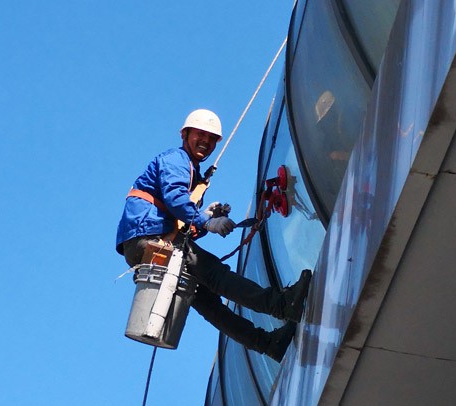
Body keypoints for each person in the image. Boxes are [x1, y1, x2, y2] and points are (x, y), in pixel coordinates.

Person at [116, 108, 312, 362]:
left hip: (147, 242)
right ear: (185, 134)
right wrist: (205, 221)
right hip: (150, 240)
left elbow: (177, 218)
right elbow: (175, 198)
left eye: (211, 139)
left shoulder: (190, 171)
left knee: (207, 302)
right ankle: (281, 305)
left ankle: (268, 344)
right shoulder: (176, 160)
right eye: (200, 135)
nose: (206, 143)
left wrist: (205, 217)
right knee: (214, 273)